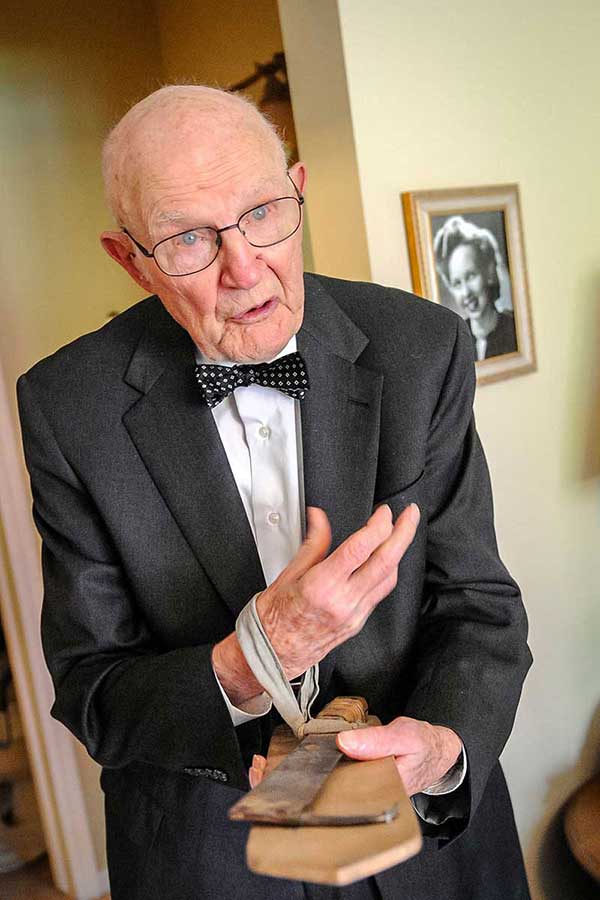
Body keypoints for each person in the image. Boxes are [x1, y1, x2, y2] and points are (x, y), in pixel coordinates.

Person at [17, 85, 532, 900]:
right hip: (211, 856)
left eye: (261, 212)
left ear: (298, 190)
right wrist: (256, 656)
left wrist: (441, 746)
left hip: (432, 847)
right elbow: (95, 691)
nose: (244, 267)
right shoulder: (67, 406)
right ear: (130, 260)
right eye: (188, 238)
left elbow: (479, 604)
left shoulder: (422, 346)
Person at [434, 215, 518, 361]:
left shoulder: (514, 328)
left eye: (471, 276)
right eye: (457, 283)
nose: (466, 292)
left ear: (489, 272)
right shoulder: (453, 343)